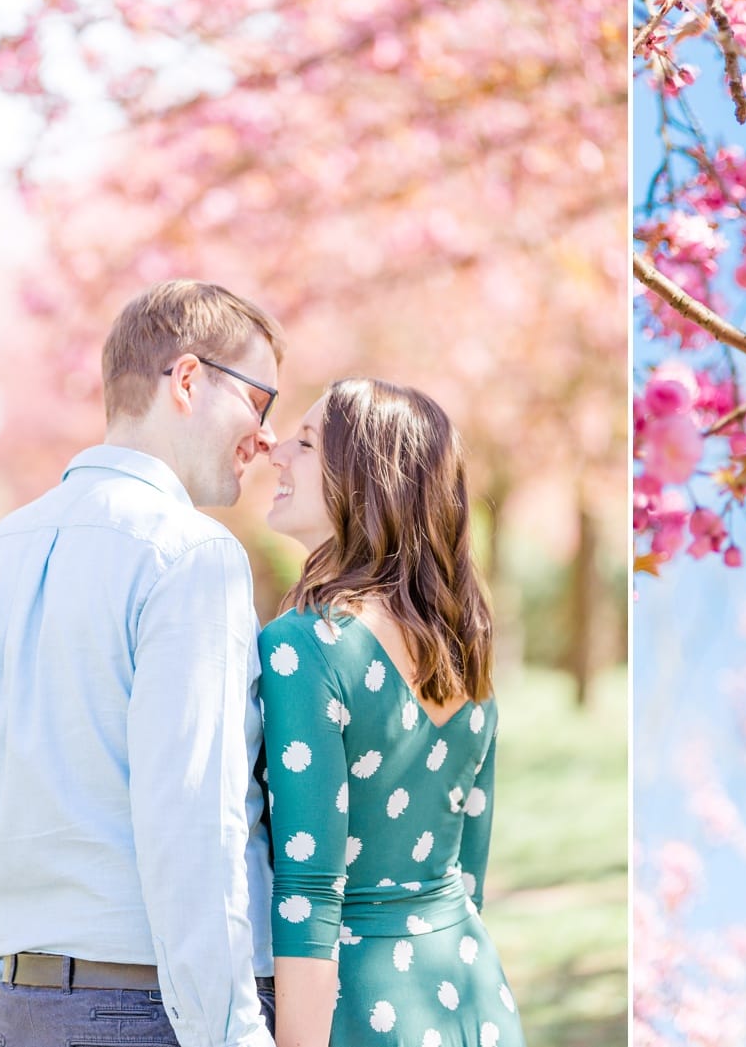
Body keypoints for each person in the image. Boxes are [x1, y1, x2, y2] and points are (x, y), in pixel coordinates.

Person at [0, 280, 285, 1047]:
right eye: (260, 401)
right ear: (187, 380)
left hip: (24, 1014)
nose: (266, 437)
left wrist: (6, 998)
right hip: (154, 1016)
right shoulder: (192, 555)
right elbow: (195, 826)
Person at [259, 378, 526, 1047]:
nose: (274, 452)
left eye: (306, 440)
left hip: (359, 1010)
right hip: (472, 996)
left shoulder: (305, 645)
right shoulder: (466, 644)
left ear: (364, 480)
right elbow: (469, 871)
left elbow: (310, 892)